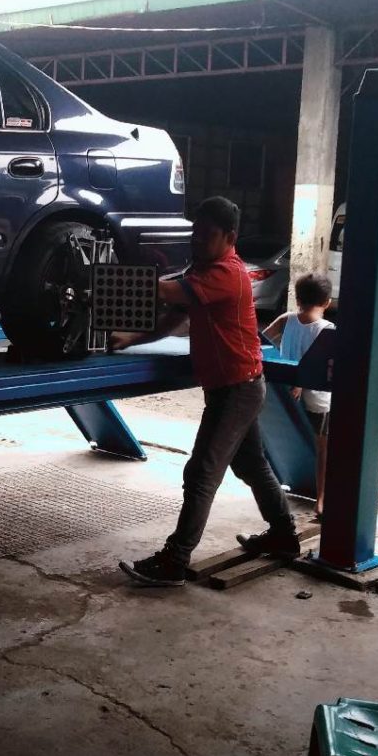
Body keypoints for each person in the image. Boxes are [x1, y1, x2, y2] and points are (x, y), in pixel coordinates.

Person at [114, 196, 298, 586]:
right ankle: (284, 536)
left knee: (201, 473)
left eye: (206, 234)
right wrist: (131, 338)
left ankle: (175, 560)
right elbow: (175, 316)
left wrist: (102, 281)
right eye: (195, 232)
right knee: (251, 465)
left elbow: (166, 292)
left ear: (229, 237)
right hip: (234, 387)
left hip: (238, 389)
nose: (197, 239)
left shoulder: (226, 274)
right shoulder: (203, 268)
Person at [262, 274, 335, 523]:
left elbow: (262, 341)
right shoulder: (328, 330)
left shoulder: (286, 320)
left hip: (286, 395)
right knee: (323, 449)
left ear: (297, 298)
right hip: (318, 400)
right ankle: (322, 500)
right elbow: (325, 365)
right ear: (327, 302)